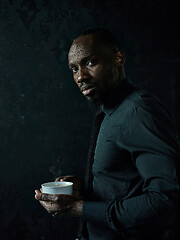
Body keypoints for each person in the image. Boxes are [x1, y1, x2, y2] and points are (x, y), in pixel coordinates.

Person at [35, 28, 180, 240]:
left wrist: (79, 208)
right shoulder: (110, 111)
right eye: (74, 69)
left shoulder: (139, 113)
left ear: (118, 58)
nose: (80, 77)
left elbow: (166, 203)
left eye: (91, 63)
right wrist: (84, 189)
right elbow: (125, 185)